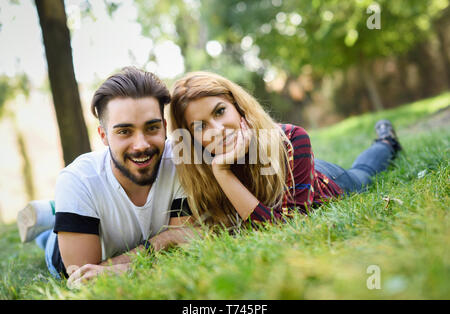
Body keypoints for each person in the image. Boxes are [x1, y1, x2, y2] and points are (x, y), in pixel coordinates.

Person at [17, 67, 195, 287]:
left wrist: (127, 266)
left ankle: (52, 211)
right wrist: (163, 242)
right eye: (124, 131)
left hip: (97, 221)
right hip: (63, 249)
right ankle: (47, 221)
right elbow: (84, 277)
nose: (141, 145)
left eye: (152, 128)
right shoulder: (77, 179)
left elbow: (185, 239)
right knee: (47, 240)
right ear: (104, 136)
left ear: (165, 127)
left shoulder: (180, 159)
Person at [168, 71, 402, 228]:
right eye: (200, 126)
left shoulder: (292, 137)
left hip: (325, 181)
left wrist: (223, 173)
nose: (218, 130)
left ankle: (386, 140)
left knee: (362, 173)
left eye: (220, 111)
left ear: (238, 107)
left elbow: (286, 225)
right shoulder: (197, 170)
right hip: (295, 175)